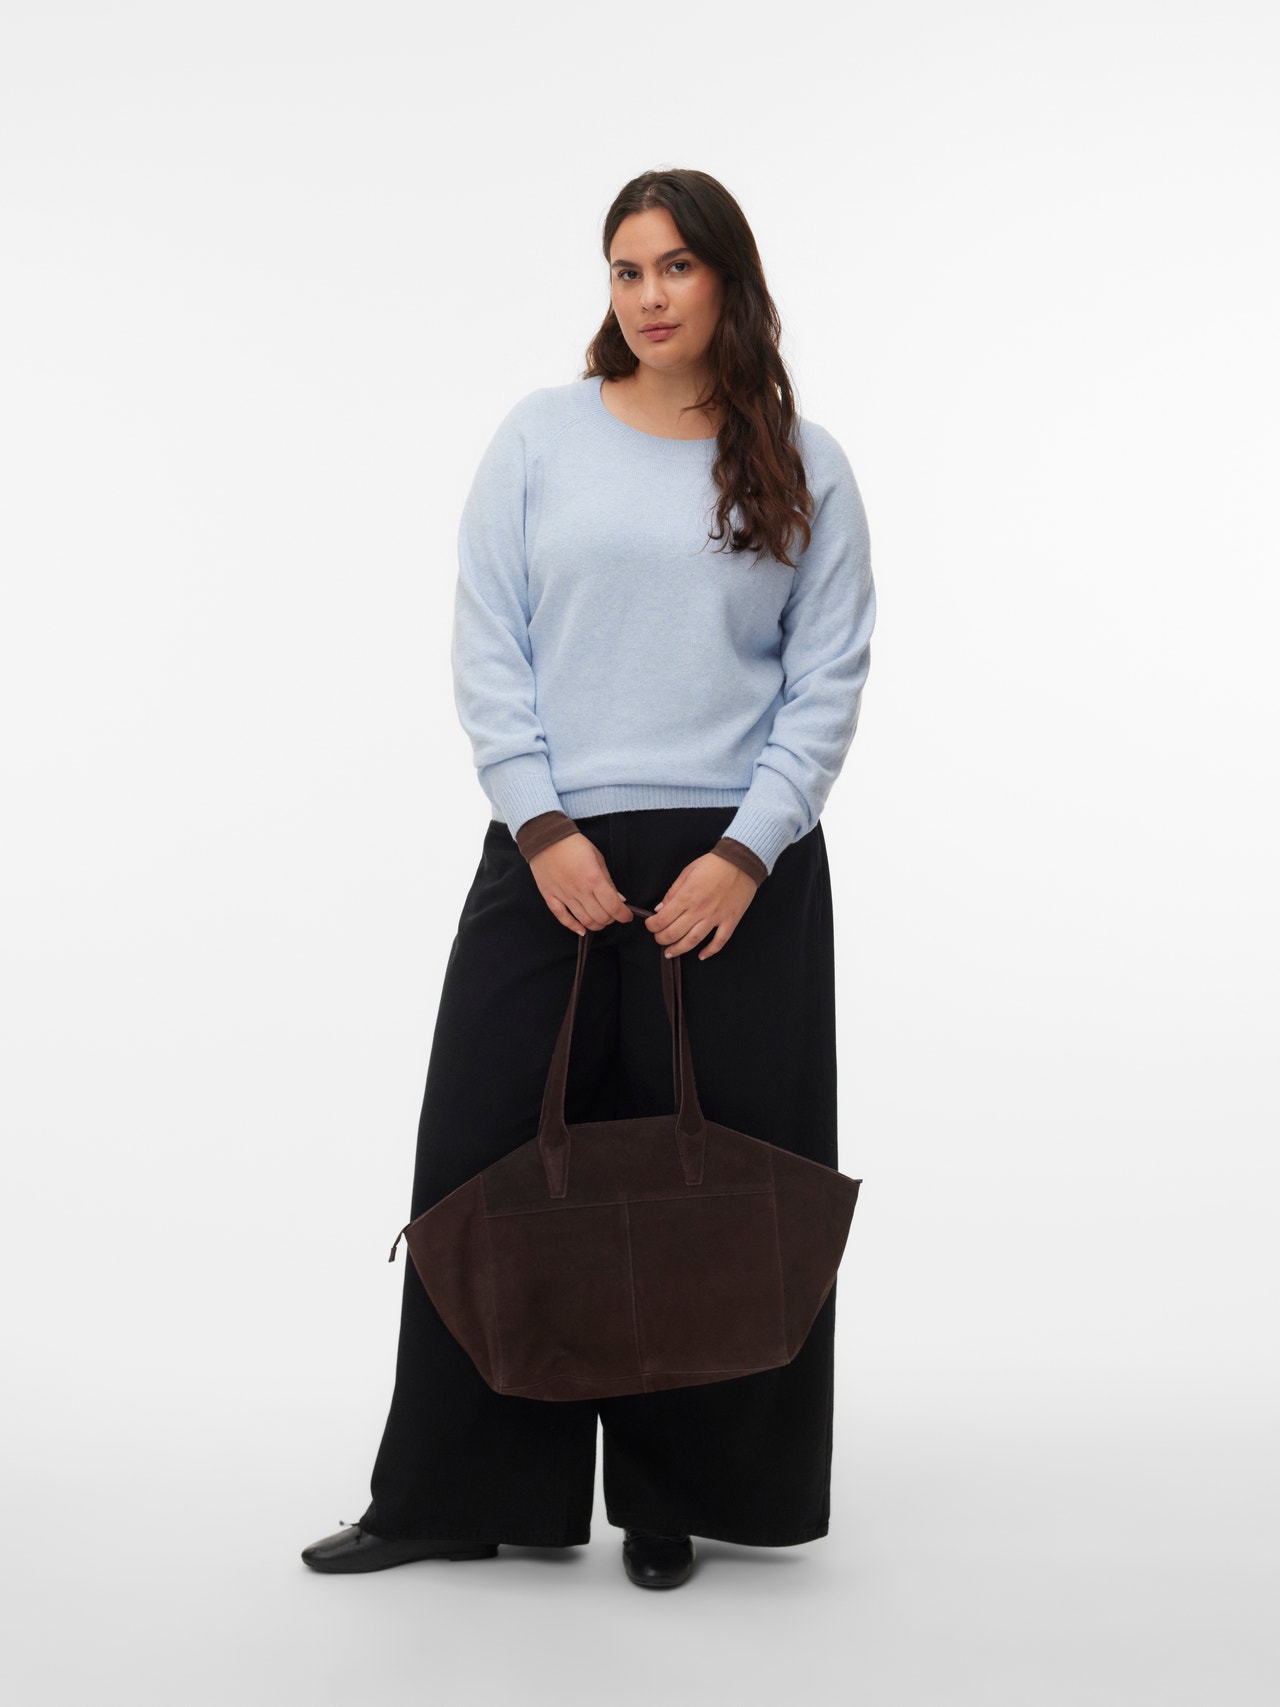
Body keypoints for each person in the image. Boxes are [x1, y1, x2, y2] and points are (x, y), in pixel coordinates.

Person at [301, 166, 876, 1591]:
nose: (650, 295)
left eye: (677, 266)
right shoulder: (541, 438)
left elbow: (827, 679)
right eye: (627, 270)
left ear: (730, 279)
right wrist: (540, 827)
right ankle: (454, 1492)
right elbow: (488, 641)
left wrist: (746, 850)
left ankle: (681, 1496)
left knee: (715, 1176)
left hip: (735, 868)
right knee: (488, 1157)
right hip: (552, 845)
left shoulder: (804, 461)